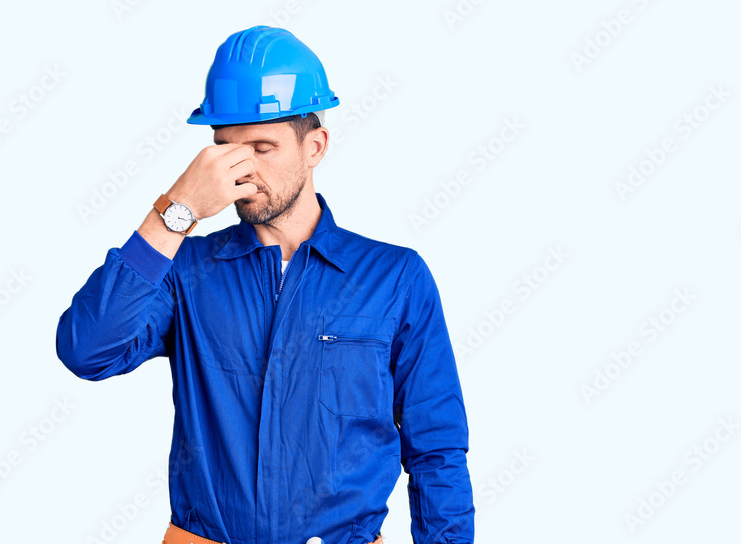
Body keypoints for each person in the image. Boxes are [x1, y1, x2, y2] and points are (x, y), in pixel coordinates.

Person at [55, 25, 474, 544]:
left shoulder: (395, 277)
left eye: (262, 147)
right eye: (227, 150)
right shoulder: (184, 270)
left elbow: (436, 447)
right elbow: (86, 350)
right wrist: (173, 213)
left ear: (315, 146)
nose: (243, 171)